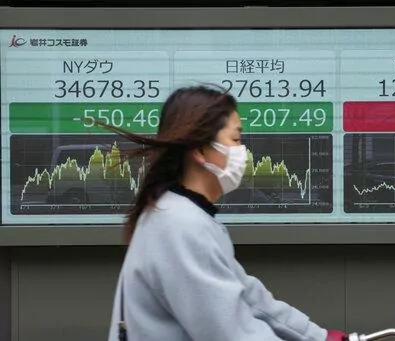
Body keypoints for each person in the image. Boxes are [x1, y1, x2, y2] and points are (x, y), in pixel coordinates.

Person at [104, 85, 348, 341]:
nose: (242, 152)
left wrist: (319, 337)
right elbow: (231, 333)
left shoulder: (182, 214)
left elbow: (251, 297)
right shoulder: (181, 226)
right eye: (235, 139)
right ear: (199, 151)